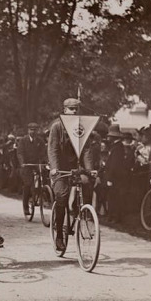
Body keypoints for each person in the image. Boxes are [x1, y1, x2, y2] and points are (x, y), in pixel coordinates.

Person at [47, 98, 95, 251]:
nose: (74, 112)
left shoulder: (81, 127)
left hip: (75, 168)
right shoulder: (57, 127)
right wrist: (54, 168)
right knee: (61, 197)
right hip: (60, 169)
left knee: (87, 183)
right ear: (65, 110)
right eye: (71, 109)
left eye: (76, 109)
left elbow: (86, 149)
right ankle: (60, 235)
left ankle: (81, 210)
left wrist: (89, 169)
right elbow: (53, 149)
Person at [17, 122, 47, 215]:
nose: (33, 132)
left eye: (35, 130)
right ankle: (26, 206)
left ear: (37, 131)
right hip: (26, 165)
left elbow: (43, 153)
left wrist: (45, 162)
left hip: (36, 164)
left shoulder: (40, 141)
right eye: (31, 130)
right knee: (27, 184)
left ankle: (41, 195)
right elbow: (20, 153)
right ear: (28, 130)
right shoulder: (23, 140)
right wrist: (22, 163)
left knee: (43, 177)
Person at [104, 124, 132, 223]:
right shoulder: (116, 147)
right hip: (116, 176)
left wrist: (110, 178)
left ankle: (115, 216)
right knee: (113, 197)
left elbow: (114, 165)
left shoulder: (117, 148)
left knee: (114, 197)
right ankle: (113, 216)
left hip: (116, 177)